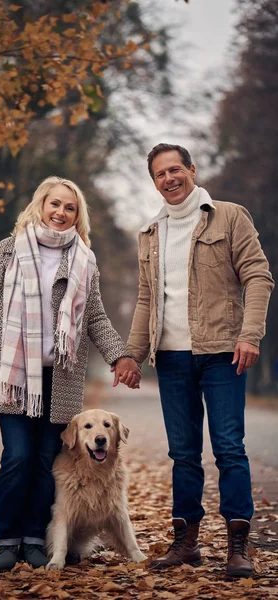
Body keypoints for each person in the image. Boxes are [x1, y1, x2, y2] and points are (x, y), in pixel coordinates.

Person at [114, 143, 274, 578]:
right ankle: (186, 543)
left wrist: (250, 334)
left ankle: (237, 548)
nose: (169, 179)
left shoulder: (229, 216)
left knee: (228, 448)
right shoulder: (150, 233)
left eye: (175, 169)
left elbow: (258, 275)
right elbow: (147, 298)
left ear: (191, 170)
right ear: (154, 182)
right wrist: (132, 353)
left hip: (223, 352)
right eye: (160, 174)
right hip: (171, 358)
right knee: (183, 454)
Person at [0, 176, 139, 571]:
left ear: (78, 216)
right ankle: (7, 540)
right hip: (13, 378)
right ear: (40, 205)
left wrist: (119, 357)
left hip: (58, 378)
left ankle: (34, 539)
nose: (61, 213)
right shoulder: (5, 252)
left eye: (70, 208)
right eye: (55, 204)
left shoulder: (83, 260)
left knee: (47, 458)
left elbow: (94, 317)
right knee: (18, 456)